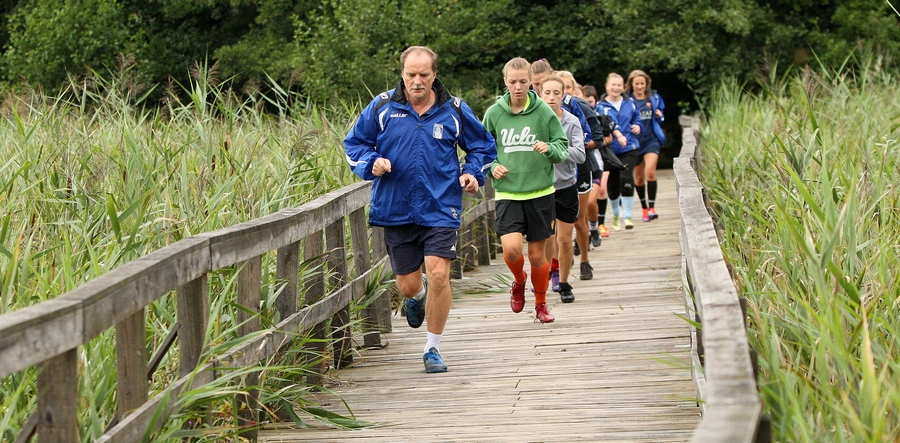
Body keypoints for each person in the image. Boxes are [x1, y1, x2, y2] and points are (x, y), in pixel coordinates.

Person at [344, 46, 497, 373]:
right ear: (402, 73)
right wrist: (372, 162)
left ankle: (432, 349)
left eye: (423, 75)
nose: (417, 81)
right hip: (395, 207)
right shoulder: (382, 107)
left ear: (434, 75)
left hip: (441, 206)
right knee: (408, 286)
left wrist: (472, 172)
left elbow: (482, 146)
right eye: (411, 74)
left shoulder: (453, 110)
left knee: (439, 271)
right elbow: (354, 144)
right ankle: (416, 297)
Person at [483, 57, 569, 323]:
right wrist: (492, 166)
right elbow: (481, 150)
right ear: (505, 82)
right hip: (508, 192)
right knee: (510, 250)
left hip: (540, 192)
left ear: (531, 81)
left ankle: (541, 304)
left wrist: (549, 149)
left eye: (523, 82)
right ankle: (519, 280)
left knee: (536, 255)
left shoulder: (543, 111)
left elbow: (562, 145)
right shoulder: (493, 113)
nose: (518, 87)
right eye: (512, 82)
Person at [538, 74, 585, 303]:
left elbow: (581, 154)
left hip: (566, 186)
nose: (551, 97)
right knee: (546, 238)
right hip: (541, 188)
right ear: (540, 94)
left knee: (565, 239)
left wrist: (555, 150)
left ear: (564, 95)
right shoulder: (534, 122)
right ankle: (545, 278)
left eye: (557, 93)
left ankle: (564, 282)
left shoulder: (571, 122)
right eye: (547, 92)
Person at [596, 73, 642, 231]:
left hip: (630, 147)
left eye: (619, 85)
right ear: (607, 86)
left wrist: (638, 126)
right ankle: (616, 214)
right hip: (611, 150)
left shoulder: (630, 103)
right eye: (613, 85)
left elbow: (637, 118)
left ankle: (628, 216)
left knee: (626, 178)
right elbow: (601, 126)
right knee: (613, 185)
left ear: (623, 87)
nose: (616, 88)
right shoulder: (600, 106)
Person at [625, 70, 666, 222]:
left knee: (650, 171)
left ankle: (652, 207)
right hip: (635, 142)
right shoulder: (627, 100)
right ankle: (644, 208)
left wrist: (658, 115)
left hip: (651, 140)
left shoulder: (654, 97)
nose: (640, 86)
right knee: (639, 177)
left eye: (642, 83)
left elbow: (662, 116)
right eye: (637, 84)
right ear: (632, 84)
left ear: (646, 83)